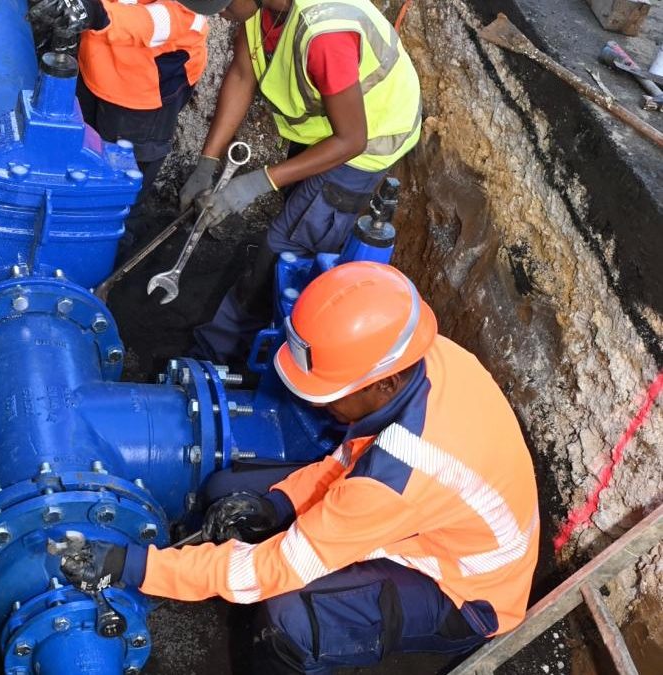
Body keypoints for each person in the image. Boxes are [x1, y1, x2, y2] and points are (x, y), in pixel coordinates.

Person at [58, 262, 541, 674]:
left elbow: (274, 569)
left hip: (465, 592)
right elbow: (351, 457)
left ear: (385, 383)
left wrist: (138, 568)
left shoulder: (402, 472)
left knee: (287, 617)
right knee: (228, 488)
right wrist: (277, 504)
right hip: (426, 524)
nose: (323, 406)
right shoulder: (423, 358)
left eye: (330, 394)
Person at [173, 0, 422, 363]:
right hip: (327, 125)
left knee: (280, 254)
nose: (220, 15)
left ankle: (220, 354)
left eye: (223, 6)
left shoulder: (326, 37)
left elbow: (352, 140)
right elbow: (244, 73)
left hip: (367, 141)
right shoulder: (259, 8)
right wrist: (207, 162)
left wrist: (257, 183)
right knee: (296, 203)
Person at [27, 0, 209, 247]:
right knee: (79, 162)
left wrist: (95, 12)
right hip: (96, 64)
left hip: (144, 96)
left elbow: (159, 21)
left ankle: (110, 259)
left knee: (120, 194)